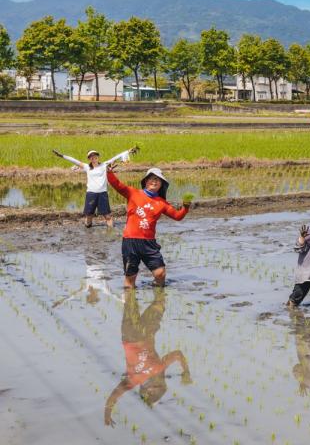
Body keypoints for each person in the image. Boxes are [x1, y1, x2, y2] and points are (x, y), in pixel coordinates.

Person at [103, 288, 191, 426]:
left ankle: (132, 273)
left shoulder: (133, 379)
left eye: (152, 390)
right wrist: (186, 372)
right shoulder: (159, 368)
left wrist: (107, 413)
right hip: (147, 330)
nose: (154, 387)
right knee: (160, 302)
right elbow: (178, 354)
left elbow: (114, 395)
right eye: (159, 387)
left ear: (145, 389)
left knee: (130, 298)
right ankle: (157, 280)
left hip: (130, 334)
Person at [107, 166, 189, 288]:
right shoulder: (133, 193)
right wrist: (108, 172)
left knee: (160, 273)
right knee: (130, 279)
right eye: (151, 178)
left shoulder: (161, 203)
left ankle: (158, 299)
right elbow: (117, 184)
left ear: (162, 184)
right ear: (146, 181)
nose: (154, 181)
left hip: (149, 243)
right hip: (130, 242)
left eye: (158, 180)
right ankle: (130, 305)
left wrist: (185, 207)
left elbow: (177, 216)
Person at [52, 146, 138, 229]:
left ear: (98, 157)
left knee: (107, 216)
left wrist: (128, 151)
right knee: (89, 216)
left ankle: (111, 232)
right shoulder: (86, 167)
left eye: (95, 156)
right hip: (91, 194)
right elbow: (74, 161)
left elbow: (116, 157)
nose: (93, 157)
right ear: (89, 159)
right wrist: (62, 155)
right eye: (91, 156)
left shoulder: (104, 165)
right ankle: (88, 232)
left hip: (102, 194)